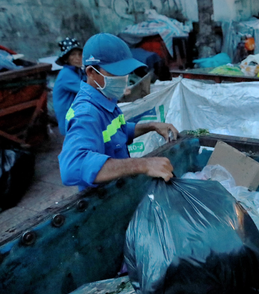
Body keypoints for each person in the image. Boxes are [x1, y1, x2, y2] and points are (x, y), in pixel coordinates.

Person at [59, 33, 178, 191]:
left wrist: (152, 126)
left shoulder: (106, 98)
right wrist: (144, 164)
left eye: (125, 73)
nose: (123, 78)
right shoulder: (86, 113)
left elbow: (118, 132)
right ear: (91, 72)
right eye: (115, 73)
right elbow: (73, 167)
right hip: (102, 199)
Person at [54, 37, 86, 135]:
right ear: (66, 58)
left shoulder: (79, 71)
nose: (77, 58)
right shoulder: (66, 74)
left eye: (80, 54)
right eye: (73, 54)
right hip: (70, 121)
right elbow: (88, 89)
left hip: (77, 117)